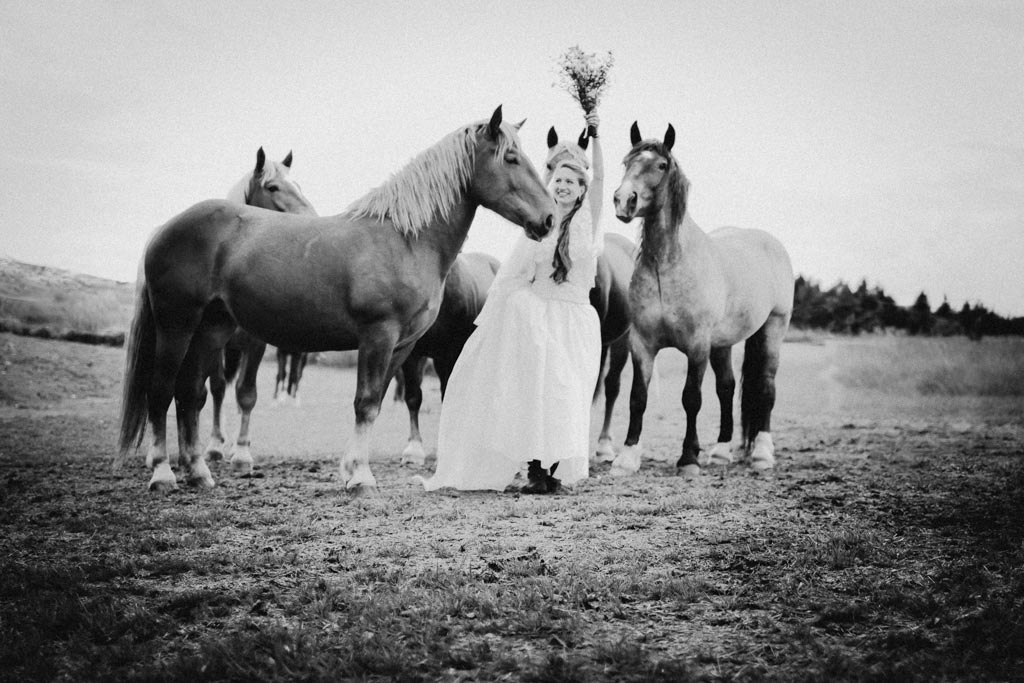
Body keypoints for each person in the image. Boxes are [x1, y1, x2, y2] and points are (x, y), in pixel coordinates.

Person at [420, 111, 604, 494]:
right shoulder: (539, 227)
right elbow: (514, 275)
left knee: (567, 398)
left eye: (572, 181)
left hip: (576, 320)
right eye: (559, 180)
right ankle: (538, 470)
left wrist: (596, 134)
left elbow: (601, 178)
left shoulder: (589, 221)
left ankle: (553, 467)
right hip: (539, 319)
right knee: (540, 395)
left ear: (583, 189)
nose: (564, 186)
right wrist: (499, 316)